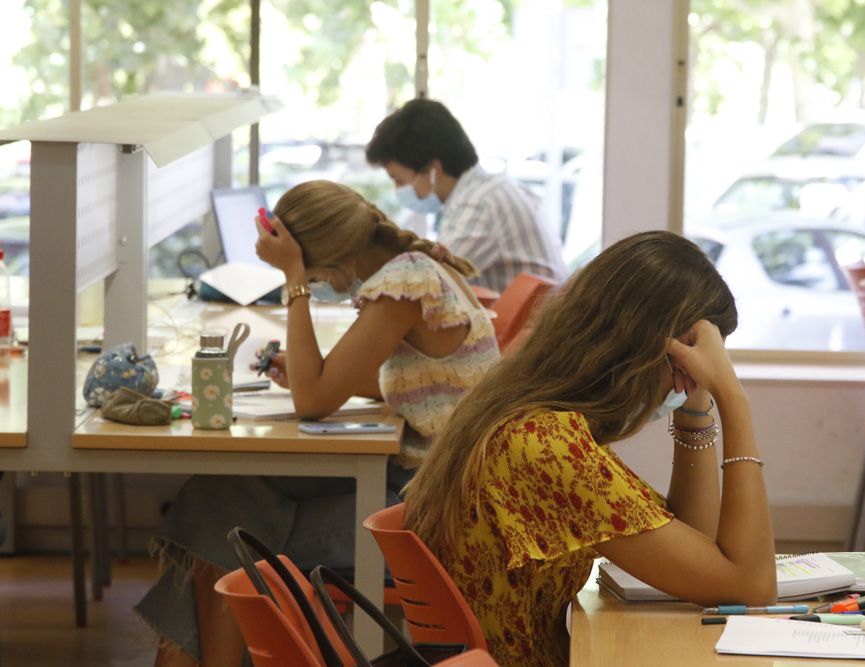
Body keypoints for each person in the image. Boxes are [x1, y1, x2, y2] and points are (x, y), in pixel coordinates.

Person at [137, 180, 501, 667]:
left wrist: (294, 281)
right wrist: (316, 374)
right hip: (420, 485)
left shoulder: (403, 286)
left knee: (221, 530)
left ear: (335, 262)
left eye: (312, 272)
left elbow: (312, 402)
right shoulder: (412, 269)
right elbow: (417, 381)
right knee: (218, 497)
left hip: (431, 514)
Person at [404, 231, 776, 667]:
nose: (692, 378)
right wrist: (734, 403)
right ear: (646, 348)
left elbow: (697, 545)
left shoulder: (530, 412)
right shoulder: (547, 445)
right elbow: (750, 587)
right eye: (688, 365)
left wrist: (695, 405)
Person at [365, 98, 567, 293]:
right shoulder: (490, 190)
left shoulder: (479, 204)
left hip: (531, 326)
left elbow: (426, 283)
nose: (398, 190)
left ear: (434, 170)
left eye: (399, 180)